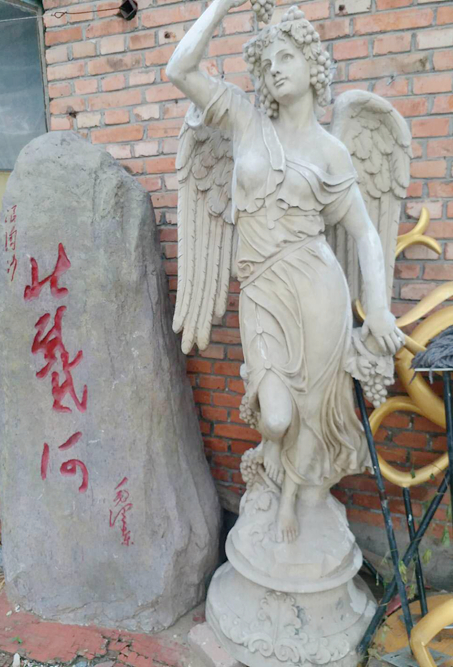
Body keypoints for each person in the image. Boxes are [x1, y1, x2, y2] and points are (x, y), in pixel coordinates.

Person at [167, 1, 404, 543]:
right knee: (275, 416)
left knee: (313, 408)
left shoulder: (332, 151)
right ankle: (275, 473)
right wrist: (220, 6)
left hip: (319, 290)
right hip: (261, 292)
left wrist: (378, 309)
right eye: (267, 61)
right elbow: (179, 70)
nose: (275, 69)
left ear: (312, 64)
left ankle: (294, 497)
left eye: (287, 57)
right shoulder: (244, 121)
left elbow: (366, 234)